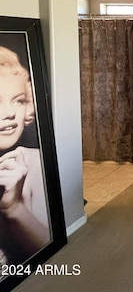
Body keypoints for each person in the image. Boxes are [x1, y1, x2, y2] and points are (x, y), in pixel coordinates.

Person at [0, 46, 50, 265]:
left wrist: (14, 208)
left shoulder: (36, 163)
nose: (9, 113)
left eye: (18, 100)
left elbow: (52, 254)